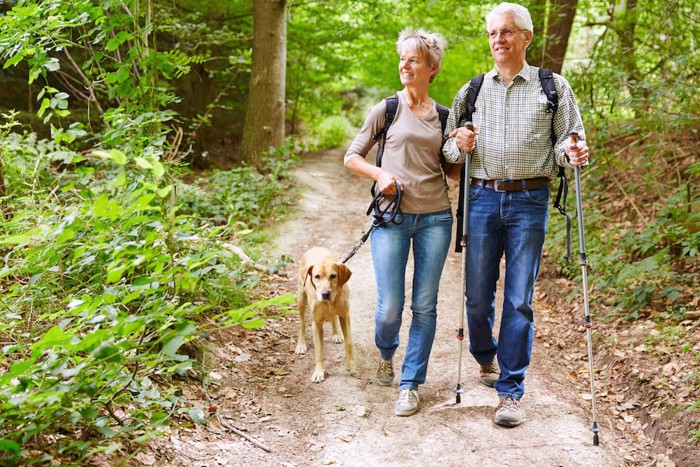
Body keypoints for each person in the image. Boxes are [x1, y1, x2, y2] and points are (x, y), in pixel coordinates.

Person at [442, 2, 590, 427]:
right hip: (483, 198)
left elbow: (567, 144)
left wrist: (575, 152)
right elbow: (450, 150)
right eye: (493, 33)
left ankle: (510, 391)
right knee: (476, 295)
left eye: (507, 32)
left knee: (520, 299)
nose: (499, 40)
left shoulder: (553, 87)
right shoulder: (471, 91)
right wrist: (461, 144)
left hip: (530, 199)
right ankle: (485, 357)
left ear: (526, 37)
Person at [344, 28, 460, 417]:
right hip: (391, 218)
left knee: (425, 305)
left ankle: (410, 384)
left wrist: (462, 148)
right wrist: (380, 176)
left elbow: (453, 173)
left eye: (413, 59)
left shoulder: (444, 116)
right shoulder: (387, 109)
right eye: (402, 58)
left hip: (436, 218)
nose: (405, 65)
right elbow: (352, 157)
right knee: (390, 305)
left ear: (432, 67)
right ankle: (386, 353)